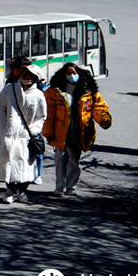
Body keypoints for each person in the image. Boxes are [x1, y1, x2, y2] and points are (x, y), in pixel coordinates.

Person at [43, 63, 113, 197]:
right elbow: (49, 114)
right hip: (60, 133)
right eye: (68, 73)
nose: (71, 76)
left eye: (74, 73)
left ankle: (71, 187)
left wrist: (104, 119)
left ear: (79, 73)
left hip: (79, 132)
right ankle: (59, 187)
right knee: (60, 160)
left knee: (74, 161)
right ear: (63, 75)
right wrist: (48, 133)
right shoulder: (54, 92)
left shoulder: (89, 91)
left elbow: (99, 108)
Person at [0, 63, 47, 203]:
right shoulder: (10, 89)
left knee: (26, 165)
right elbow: (0, 106)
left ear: (35, 78)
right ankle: (9, 190)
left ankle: (22, 191)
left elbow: (41, 117)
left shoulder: (38, 95)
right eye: (24, 74)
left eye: (29, 75)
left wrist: (34, 131)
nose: (25, 77)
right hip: (9, 133)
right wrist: (3, 124)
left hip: (27, 136)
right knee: (8, 161)